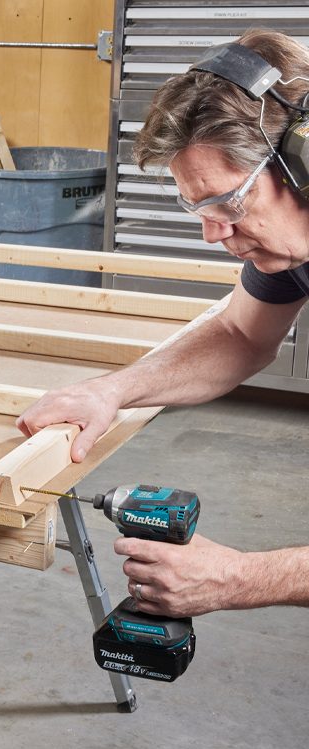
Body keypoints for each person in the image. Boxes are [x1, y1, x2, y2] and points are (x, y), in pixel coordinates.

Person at [15, 28, 309, 618]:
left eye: (229, 203)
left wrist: (240, 578)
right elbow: (240, 335)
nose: (213, 233)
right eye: (197, 208)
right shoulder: (294, 246)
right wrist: (111, 391)